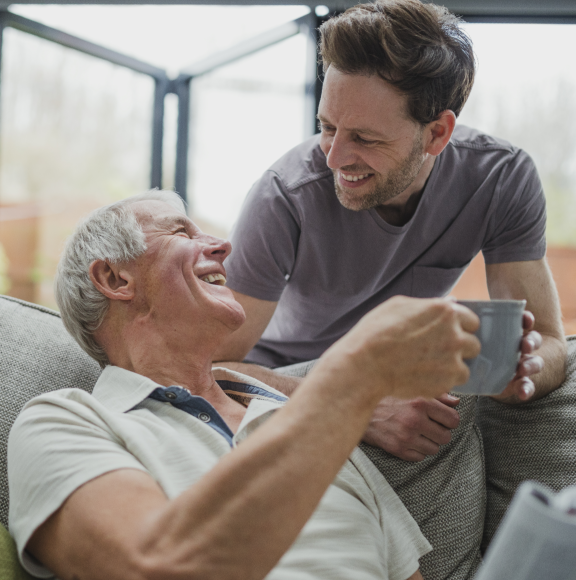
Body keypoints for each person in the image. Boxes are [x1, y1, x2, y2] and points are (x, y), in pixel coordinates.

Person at [7, 190, 485, 580]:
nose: (223, 246)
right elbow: (150, 567)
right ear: (114, 277)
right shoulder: (64, 421)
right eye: (180, 232)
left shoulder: (311, 422)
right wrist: (354, 373)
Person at [214, 0, 566, 461]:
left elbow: (551, 342)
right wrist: (356, 403)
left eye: (364, 138)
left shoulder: (500, 177)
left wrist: (514, 371)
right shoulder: (284, 195)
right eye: (327, 127)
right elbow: (211, 367)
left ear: (437, 134)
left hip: (398, 369)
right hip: (290, 375)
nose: (334, 157)